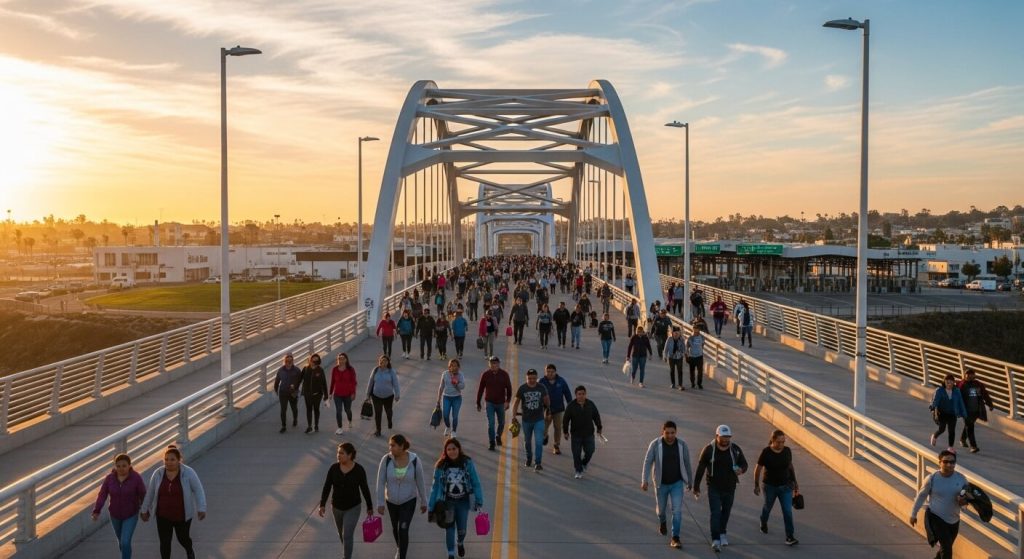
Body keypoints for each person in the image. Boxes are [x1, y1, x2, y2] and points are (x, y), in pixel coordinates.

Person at [140, 445, 207, 559]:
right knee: (165, 543)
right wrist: (144, 510)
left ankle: (189, 550)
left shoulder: (188, 472)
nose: (169, 462)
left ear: (179, 460)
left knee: (183, 538)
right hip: (163, 515)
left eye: (172, 459)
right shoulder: (158, 473)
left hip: (182, 515)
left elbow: (198, 490)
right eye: (166, 459)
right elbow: (150, 492)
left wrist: (202, 508)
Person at [693, 424, 748, 552]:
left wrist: (741, 470)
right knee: (715, 513)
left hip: (730, 487)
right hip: (714, 487)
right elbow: (700, 469)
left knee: (726, 511)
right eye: (723, 438)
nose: (725, 441)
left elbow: (744, 464)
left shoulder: (735, 449)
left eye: (728, 438)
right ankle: (715, 539)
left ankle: (723, 533)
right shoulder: (708, 450)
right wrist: (696, 486)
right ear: (717, 436)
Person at [428, 438, 485, 559]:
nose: (451, 451)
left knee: (462, 529)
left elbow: (475, 482)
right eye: (448, 449)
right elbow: (435, 486)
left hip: (463, 502)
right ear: (445, 451)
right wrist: (431, 505)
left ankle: (460, 542)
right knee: (449, 528)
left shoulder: (467, 463)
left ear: (459, 449)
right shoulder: (441, 466)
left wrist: (479, 499)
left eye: (454, 449)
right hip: (447, 503)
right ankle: (450, 553)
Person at [641, 421, 693, 549]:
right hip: (661, 483)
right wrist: (644, 480)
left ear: (676, 432)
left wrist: (690, 480)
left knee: (677, 510)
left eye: (672, 433)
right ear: (662, 432)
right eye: (667, 433)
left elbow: (687, 463)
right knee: (661, 510)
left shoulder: (682, 445)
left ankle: (675, 537)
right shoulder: (655, 444)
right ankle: (662, 521)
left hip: (677, 483)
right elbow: (647, 462)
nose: (670, 436)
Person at [910, 449, 971, 559]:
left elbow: (965, 502)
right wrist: (913, 514)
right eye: (946, 461)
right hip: (936, 517)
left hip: (954, 520)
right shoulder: (932, 479)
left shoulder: (962, 479)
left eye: (952, 462)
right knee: (947, 549)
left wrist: (963, 503)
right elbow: (921, 496)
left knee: (945, 548)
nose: (949, 464)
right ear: (940, 462)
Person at [375, 434, 428, 559]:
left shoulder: (414, 460)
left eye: (393, 445)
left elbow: (420, 481)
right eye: (390, 445)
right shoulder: (386, 459)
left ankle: (402, 556)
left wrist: (424, 501)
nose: (390, 448)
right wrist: (380, 502)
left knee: (403, 529)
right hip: (391, 501)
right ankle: (399, 547)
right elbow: (380, 481)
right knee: (395, 528)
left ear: (402, 446)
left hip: (408, 500)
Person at [319, 442, 374, 559]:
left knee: (347, 534)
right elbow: (327, 486)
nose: (338, 455)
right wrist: (322, 504)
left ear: (350, 455)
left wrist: (369, 506)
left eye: (341, 453)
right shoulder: (334, 468)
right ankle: (347, 551)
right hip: (336, 507)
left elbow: (364, 488)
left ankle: (346, 557)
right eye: (338, 452)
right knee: (342, 535)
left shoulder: (359, 470)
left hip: (353, 507)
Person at [92, 453, 146, 559]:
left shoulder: (136, 478)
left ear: (129, 465)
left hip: (131, 514)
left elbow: (143, 494)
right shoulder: (109, 479)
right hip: (115, 515)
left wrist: (145, 511)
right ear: (115, 466)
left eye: (124, 466)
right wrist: (97, 510)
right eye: (118, 466)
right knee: (122, 542)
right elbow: (102, 495)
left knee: (125, 541)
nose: (121, 468)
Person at [753, 430, 799, 546]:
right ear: (772, 440)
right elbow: (758, 469)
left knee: (787, 511)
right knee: (767, 507)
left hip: (786, 486)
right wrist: (756, 485)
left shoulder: (787, 451)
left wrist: (795, 481)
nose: (781, 445)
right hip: (770, 487)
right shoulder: (766, 452)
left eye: (783, 442)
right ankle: (763, 521)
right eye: (778, 442)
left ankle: (790, 536)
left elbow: (790, 466)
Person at [511, 368, 550, 472]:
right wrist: (513, 416)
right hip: (526, 420)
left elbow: (547, 401)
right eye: (529, 378)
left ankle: (538, 463)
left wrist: (547, 409)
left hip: (539, 419)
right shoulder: (522, 388)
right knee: (527, 441)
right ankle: (529, 457)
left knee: (538, 441)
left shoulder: (541, 387)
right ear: (526, 378)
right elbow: (516, 403)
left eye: (534, 378)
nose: (532, 380)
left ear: (537, 378)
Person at [562, 385, 603, 479]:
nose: (581, 396)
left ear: (586, 394)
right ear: (576, 395)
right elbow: (566, 419)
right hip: (576, 435)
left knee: (590, 451)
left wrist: (599, 428)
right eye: (579, 394)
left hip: (589, 434)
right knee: (576, 453)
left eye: (583, 394)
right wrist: (565, 432)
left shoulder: (590, 404)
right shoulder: (571, 406)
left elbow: (596, 416)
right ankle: (578, 470)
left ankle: (584, 463)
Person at [476, 356, 513, 451]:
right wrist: (478, 402)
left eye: (495, 363)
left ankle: (498, 436)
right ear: (489, 364)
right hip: (489, 403)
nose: (494, 365)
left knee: (502, 423)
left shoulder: (504, 374)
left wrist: (507, 401)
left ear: (499, 364)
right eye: (492, 363)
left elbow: (509, 389)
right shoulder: (485, 374)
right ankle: (492, 442)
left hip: (501, 403)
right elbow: (480, 389)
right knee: (491, 423)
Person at [957, 368, 994, 453]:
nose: (969, 376)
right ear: (964, 375)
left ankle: (962, 439)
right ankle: (973, 446)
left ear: (974, 375)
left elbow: (985, 394)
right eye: (967, 374)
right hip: (965, 410)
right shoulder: (961, 385)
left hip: (976, 410)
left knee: (969, 425)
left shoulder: (978, 384)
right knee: (970, 427)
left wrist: (990, 404)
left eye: (971, 374)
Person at [539, 363, 573, 455]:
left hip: (558, 409)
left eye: (552, 372)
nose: (550, 373)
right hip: (546, 410)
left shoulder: (561, 381)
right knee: (543, 428)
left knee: (558, 427)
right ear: (545, 372)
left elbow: (567, 394)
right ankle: (545, 436)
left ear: (555, 372)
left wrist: (571, 406)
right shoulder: (541, 382)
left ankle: (556, 445)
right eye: (548, 372)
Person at [367, 354, 401, 437]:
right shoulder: (375, 370)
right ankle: (378, 430)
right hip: (376, 395)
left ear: (388, 362)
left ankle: (389, 420)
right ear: (379, 361)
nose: (383, 362)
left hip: (388, 396)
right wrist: (367, 394)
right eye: (381, 361)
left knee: (388, 412)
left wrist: (397, 394)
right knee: (378, 413)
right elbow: (370, 382)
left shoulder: (391, 371)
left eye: (385, 361)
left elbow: (396, 383)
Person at [930, 373, 967, 448]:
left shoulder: (957, 391)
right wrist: (933, 407)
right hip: (942, 413)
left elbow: (961, 402)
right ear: (944, 382)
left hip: (952, 413)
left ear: (954, 382)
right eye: (947, 382)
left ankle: (950, 447)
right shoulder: (939, 390)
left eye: (951, 382)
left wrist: (964, 413)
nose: (949, 384)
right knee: (942, 429)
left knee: (952, 431)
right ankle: (935, 436)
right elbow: (935, 400)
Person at [437, 359, 467, 438]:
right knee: (445, 415)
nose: (454, 367)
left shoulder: (460, 375)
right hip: (446, 397)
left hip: (456, 398)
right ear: (449, 367)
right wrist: (438, 400)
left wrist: (457, 383)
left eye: (456, 366)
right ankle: (448, 426)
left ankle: (454, 431)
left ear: (458, 367)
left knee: (455, 416)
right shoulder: (445, 374)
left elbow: (463, 386)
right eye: (452, 366)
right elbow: (441, 387)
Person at [273, 353, 302, 433]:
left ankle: (295, 419)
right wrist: (276, 390)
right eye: (287, 361)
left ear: (293, 361)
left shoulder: (297, 370)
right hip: (283, 392)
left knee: (294, 408)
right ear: (284, 361)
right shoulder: (281, 370)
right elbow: (277, 381)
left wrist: (295, 386)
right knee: (283, 410)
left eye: (290, 360)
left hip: (293, 393)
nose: (289, 362)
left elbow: (300, 380)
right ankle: (283, 426)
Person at [329, 353, 357, 435]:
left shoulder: (350, 369)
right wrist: (330, 393)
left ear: (346, 359)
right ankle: (340, 428)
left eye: (343, 358)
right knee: (338, 411)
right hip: (337, 394)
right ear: (338, 360)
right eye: (339, 358)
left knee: (347, 410)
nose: (341, 360)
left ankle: (350, 420)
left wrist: (353, 393)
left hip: (348, 394)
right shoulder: (334, 369)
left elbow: (354, 382)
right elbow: (332, 382)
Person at [300, 353, 329, 433]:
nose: (314, 362)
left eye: (316, 361)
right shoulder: (305, 369)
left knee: (316, 409)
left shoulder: (320, 370)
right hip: (307, 394)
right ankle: (309, 426)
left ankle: (316, 425)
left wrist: (326, 395)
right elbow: (299, 379)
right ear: (310, 360)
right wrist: (294, 388)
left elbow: (324, 383)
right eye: (313, 360)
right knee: (309, 409)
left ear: (318, 361)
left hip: (317, 394)